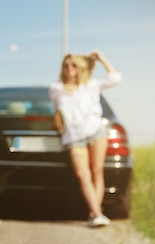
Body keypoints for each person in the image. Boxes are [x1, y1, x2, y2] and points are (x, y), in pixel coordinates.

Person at [49, 50, 122, 228]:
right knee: (83, 175)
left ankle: (95, 213)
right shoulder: (56, 88)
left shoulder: (91, 85)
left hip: (96, 131)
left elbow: (115, 78)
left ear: (80, 67)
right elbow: (57, 109)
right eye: (66, 65)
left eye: (73, 65)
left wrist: (101, 58)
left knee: (97, 170)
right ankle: (96, 213)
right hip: (73, 136)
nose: (69, 68)